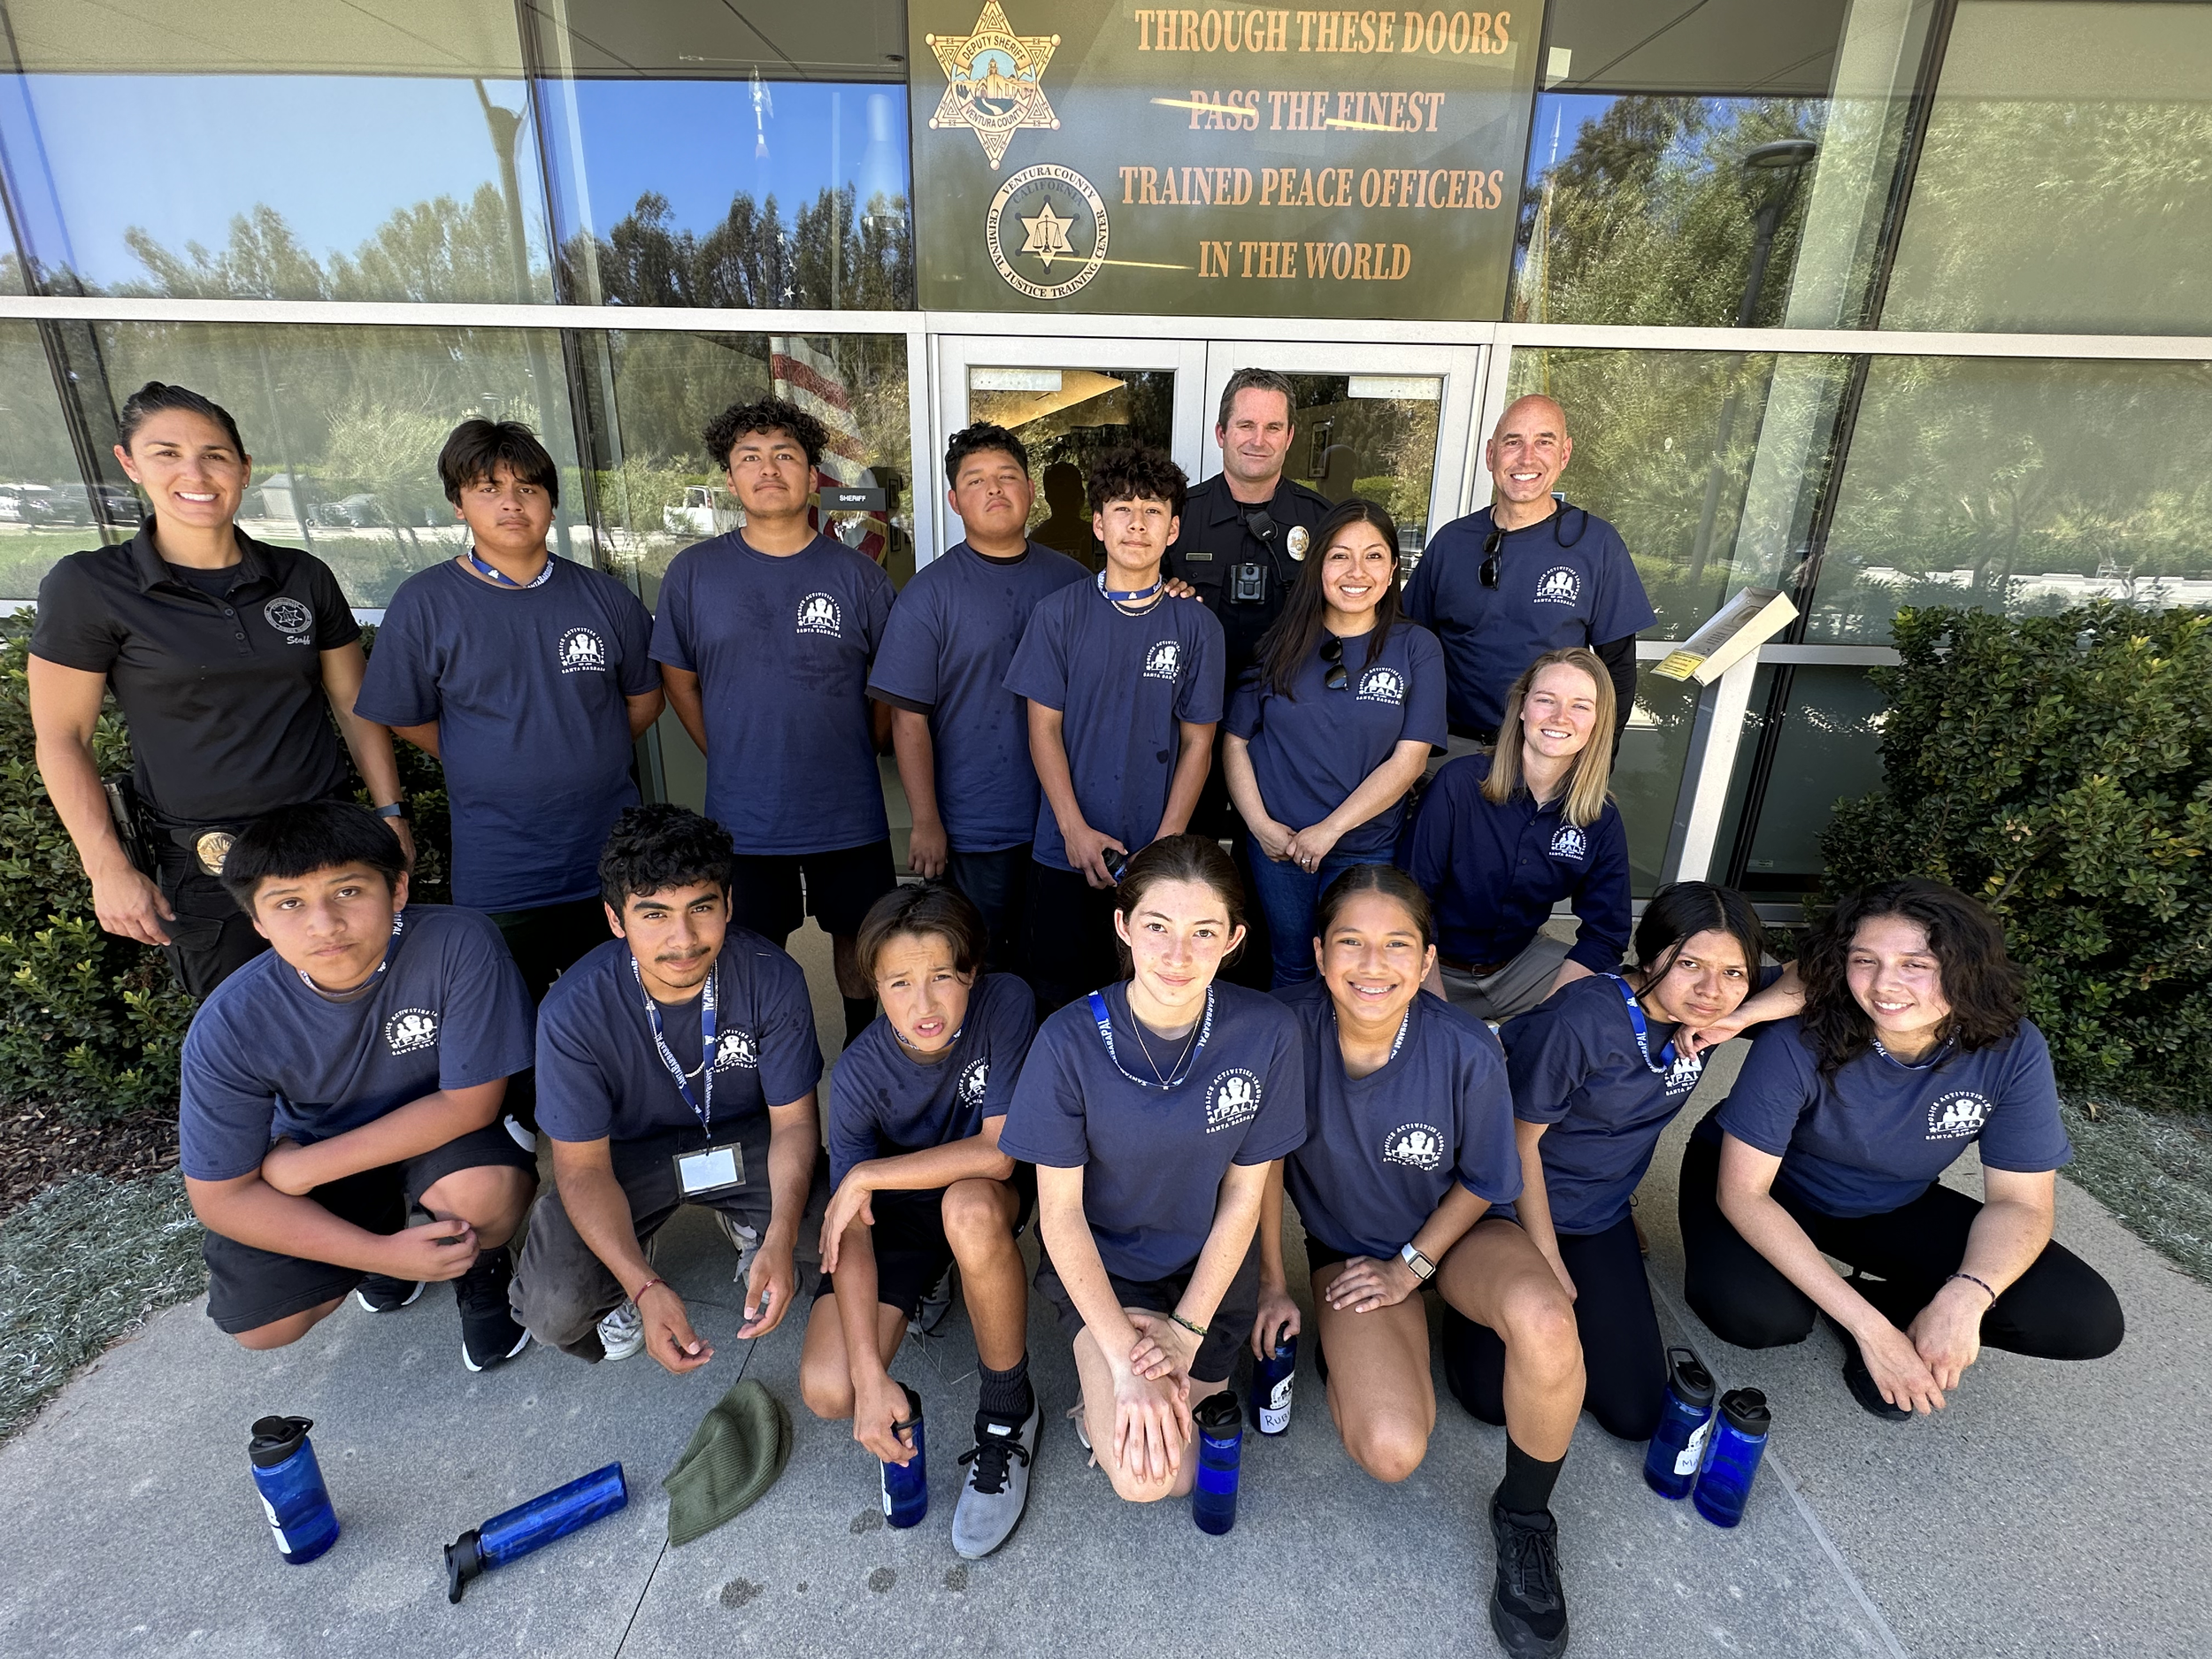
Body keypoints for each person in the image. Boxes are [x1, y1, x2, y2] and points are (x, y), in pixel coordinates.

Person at [1260, 865, 1583, 1659]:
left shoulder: (1465, 1045)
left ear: (1427, 954)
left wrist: (1415, 1263)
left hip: (1458, 1234)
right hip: (1348, 1252)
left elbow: (1485, 1179)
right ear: (1319, 952)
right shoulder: (1281, 1034)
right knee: (1392, 1450)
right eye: (1352, 944)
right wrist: (1273, 1283)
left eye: (1396, 944)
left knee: (1547, 1319)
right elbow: (1258, 1171)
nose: (1374, 965)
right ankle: (1367, 1350)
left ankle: (1526, 1519)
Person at [1681, 878, 2124, 1419]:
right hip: (1769, 1188)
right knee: (1759, 1317)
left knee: (2081, 1316)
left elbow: (2022, 1203)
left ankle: (1888, 1304)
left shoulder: (2011, 1047)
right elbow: (1745, 1195)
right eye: (1864, 960)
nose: (1884, 985)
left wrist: (1966, 1296)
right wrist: (1870, 1334)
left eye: (1916, 964)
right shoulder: (1800, 1034)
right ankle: (1865, 1314)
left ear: (1966, 968)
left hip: (1889, 1201)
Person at [28, 380, 412, 998]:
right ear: (128, 463)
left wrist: (390, 813)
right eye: (166, 452)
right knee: (247, 1030)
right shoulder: (91, 586)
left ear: (244, 468)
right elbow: (62, 736)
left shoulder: (301, 576)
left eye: (214, 454)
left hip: (330, 847)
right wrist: (106, 866)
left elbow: (353, 703)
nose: (195, 472)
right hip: (210, 865)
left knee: (370, 1011)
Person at [175, 801, 537, 1370]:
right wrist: (382, 1254)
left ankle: (482, 1268)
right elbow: (220, 1196)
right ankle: (386, 1254)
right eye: (289, 903)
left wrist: (301, 1170)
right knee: (265, 1326)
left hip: (436, 1133)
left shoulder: (457, 943)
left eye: (347, 892)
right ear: (258, 923)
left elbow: (470, 1102)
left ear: (396, 890)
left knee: (479, 1193)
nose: (324, 924)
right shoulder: (230, 1022)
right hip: (325, 1139)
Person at [998, 835, 1305, 1503]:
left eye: (1204, 931)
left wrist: (1185, 1337)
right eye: (1157, 927)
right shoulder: (1067, 1040)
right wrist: (1125, 1362)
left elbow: (1244, 1201)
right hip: (1111, 1269)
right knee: (1148, 1480)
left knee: (1183, 1472)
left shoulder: (1269, 1032)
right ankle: (1096, 1394)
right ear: (1123, 926)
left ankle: (1146, 1381)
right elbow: (1060, 1216)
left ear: (1233, 939)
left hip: (1211, 1273)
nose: (1177, 954)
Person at [1454, 882, 1801, 1443]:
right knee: (1494, 1401)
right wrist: (1546, 1256)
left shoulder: (1717, 1008)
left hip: (1599, 1215)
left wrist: (1742, 1017)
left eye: (1734, 972)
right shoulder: (1584, 1019)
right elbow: (1517, 1145)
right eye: (1688, 963)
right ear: (1651, 952)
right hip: (1508, 1209)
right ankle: (1478, 1294)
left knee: (1635, 1414)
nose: (1712, 989)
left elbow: (1816, 974)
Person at [356, 418, 662, 1006]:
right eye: (488, 488)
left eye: (528, 488)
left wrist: (582, 743)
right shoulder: (425, 603)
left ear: (550, 502)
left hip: (608, 858)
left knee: (614, 1010)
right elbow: (402, 714)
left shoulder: (605, 597)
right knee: (507, 1016)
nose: (511, 503)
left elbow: (644, 699)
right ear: (458, 504)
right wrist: (482, 756)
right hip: (500, 867)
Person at [509, 804, 823, 1370]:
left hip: (745, 1139)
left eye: (701, 908)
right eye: (653, 915)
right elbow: (580, 1169)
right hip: (624, 1159)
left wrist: (780, 1233)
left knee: (836, 1242)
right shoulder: (572, 1012)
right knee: (553, 1305)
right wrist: (643, 1287)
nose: (683, 939)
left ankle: (750, 1219)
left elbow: (795, 1123)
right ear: (615, 919)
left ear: (729, 904)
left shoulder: (772, 976)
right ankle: (631, 1254)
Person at [799, 883, 1041, 1559]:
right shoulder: (856, 1076)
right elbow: (851, 1226)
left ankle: (1008, 1411)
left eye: (941, 976)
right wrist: (873, 1374)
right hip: (900, 1222)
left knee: (965, 1208)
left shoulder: (1006, 1002)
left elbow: (999, 1152)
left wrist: (867, 1173)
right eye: (899, 983)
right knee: (830, 1386)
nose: (923, 1004)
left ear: (971, 970)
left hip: (979, 1195)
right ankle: (929, 1288)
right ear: (873, 984)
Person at [650, 396, 897, 1050]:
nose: (769, 469)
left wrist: (866, 745)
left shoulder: (859, 577)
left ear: (813, 475)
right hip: (746, 814)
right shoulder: (694, 574)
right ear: (730, 480)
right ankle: (774, 1060)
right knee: (752, 948)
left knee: (861, 939)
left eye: (785, 455)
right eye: (750, 458)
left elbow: (890, 685)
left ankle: (859, 1051)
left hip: (847, 809)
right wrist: (724, 748)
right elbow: (679, 677)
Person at [1004, 447, 1225, 1013]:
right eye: (1122, 509)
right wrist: (1074, 829)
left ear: (1173, 528)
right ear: (1098, 524)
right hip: (1063, 846)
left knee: (1150, 997)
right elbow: (1042, 730)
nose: (1136, 524)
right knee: (1056, 998)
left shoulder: (1197, 624)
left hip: (1156, 850)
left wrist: (1168, 841)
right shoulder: (1058, 615)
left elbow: (1199, 741)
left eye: (1152, 511)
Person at [868, 424, 1087, 974]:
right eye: (977, 481)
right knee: (980, 960)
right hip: (976, 822)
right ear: (954, 500)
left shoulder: (1078, 583)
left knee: (1055, 959)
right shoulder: (929, 595)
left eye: (1007, 477)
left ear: (1030, 490)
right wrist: (925, 821)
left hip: (1067, 820)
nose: (995, 490)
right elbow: (908, 719)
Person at [1224, 498, 1446, 987]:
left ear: (1391, 570)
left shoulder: (1416, 649)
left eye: (1374, 556)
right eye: (1340, 555)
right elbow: (1236, 741)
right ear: (1319, 564)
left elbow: (1409, 761)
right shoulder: (1279, 644)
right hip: (1278, 848)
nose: (1356, 571)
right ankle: (1295, 1064)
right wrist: (1260, 827)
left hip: (1366, 847)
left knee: (1356, 975)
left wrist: (1330, 830)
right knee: (1293, 967)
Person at [1403, 395, 1653, 749]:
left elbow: (1618, 670)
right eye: (1513, 441)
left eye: (1544, 442)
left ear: (1564, 454)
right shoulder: (1451, 542)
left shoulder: (1597, 545)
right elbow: (1407, 644)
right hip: (1449, 747)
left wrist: (1599, 760)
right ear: (1491, 454)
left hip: (1544, 752)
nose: (1527, 457)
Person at [1398, 648, 1630, 1024]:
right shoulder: (1459, 784)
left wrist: (1542, 1024)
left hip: (1518, 968)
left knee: (1610, 1009)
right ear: (1522, 707)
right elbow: (1409, 902)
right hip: (1432, 967)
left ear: (1599, 722)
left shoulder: (1600, 817)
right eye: (1546, 700)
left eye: (1580, 707)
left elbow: (1606, 934)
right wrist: (1440, 1016)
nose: (1560, 717)